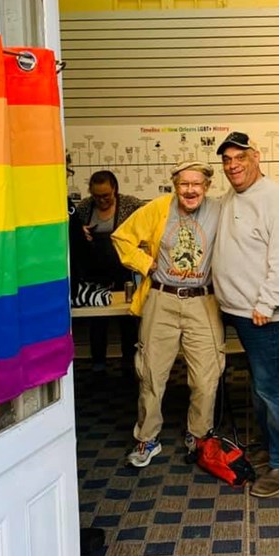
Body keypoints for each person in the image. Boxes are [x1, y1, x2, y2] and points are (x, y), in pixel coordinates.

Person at [111, 161, 224, 468]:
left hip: (203, 302)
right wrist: (146, 264)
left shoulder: (220, 210)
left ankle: (199, 435)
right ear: (175, 186)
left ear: (207, 186)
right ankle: (147, 437)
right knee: (151, 374)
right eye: (184, 184)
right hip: (162, 298)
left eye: (196, 184)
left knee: (206, 377)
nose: (190, 190)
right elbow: (121, 237)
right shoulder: (159, 207)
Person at [212, 132, 279, 498]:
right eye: (227, 160)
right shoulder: (232, 197)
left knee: (270, 387)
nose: (233, 165)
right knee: (259, 386)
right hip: (236, 309)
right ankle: (269, 445)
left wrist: (267, 304)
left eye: (240, 158)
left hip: (264, 315)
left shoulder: (274, 201)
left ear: (256, 157)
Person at [75, 170, 143, 371]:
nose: (102, 200)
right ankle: (98, 363)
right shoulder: (85, 207)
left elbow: (150, 220)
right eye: (97, 196)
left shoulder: (130, 205)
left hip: (124, 271)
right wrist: (79, 232)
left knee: (128, 320)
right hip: (95, 273)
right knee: (97, 320)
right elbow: (73, 231)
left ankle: (130, 363)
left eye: (106, 196)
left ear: (115, 190)